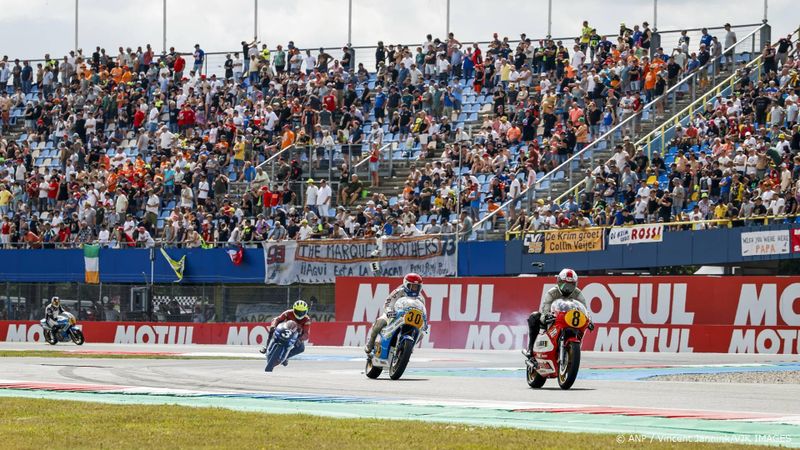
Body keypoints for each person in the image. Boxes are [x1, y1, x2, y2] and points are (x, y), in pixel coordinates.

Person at [523, 269, 592, 362]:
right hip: (554, 319)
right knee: (534, 317)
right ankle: (531, 349)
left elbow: (584, 310)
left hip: (569, 320)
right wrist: (546, 317)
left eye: (571, 285)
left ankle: (571, 351)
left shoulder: (578, 294)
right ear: (559, 282)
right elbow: (545, 308)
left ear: (575, 284)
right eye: (564, 284)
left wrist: (589, 320)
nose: (567, 288)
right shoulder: (552, 293)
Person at [364, 273, 423, 354]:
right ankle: (371, 342)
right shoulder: (397, 292)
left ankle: (409, 348)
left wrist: (424, 321)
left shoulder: (421, 298)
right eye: (412, 286)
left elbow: (422, 311)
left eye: (417, 287)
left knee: (421, 333)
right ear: (406, 284)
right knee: (381, 321)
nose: (414, 289)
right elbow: (388, 303)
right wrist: (389, 311)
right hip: (394, 314)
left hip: (409, 319)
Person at [258, 300, 311, 366]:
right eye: (298, 311)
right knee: (272, 330)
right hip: (283, 329)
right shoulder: (288, 313)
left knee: (301, 348)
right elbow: (277, 319)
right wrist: (273, 326)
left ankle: (286, 357)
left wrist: (300, 339)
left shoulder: (307, 319)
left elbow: (306, 333)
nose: (300, 314)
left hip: (296, 334)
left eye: (302, 312)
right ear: (294, 309)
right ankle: (267, 346)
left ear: (306, 311)